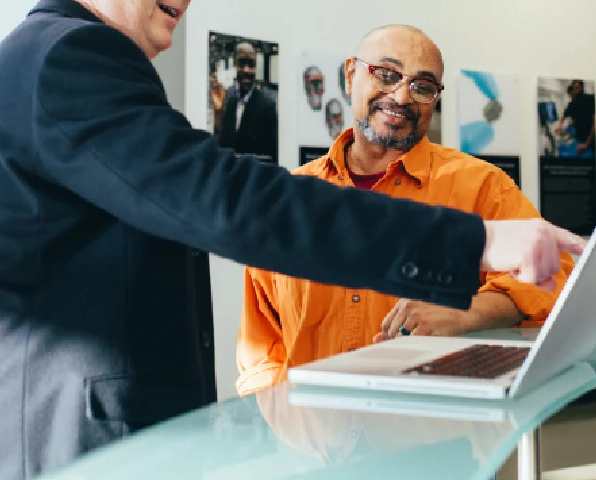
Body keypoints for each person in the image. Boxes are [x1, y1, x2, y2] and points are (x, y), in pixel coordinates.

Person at [0, 0, 585, 480]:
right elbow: (229, 202)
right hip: (48, 449)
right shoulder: (71, 58)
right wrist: (475, 243)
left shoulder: (52, 59)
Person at [236, 26, 574, 396]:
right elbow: (261, 346)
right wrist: (279, 426)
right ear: (351, 75)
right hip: (313, 439)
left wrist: (467, 311)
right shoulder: (291, 199)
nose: (401, 97)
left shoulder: (481, 186)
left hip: (432, 434)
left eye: (423, 86)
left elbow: (557, 274)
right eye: (386, 74)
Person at [210, 41, 279, 163]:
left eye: (251, 65)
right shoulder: (229, 101)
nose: (246, 70)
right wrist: (218, 113)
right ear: (235, 66)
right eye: (242, 63)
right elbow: (221, 147)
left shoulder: (267, 105)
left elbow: (273, 156)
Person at [558, 80, 596, 156]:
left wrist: (587, 143)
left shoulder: (590, 99)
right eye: (574, 89)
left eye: (577, 88)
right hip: (580, 140)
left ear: (582, 88)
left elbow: (595, 123)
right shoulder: (573, 103)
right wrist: (560, 125)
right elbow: (566, 115)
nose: (575, 91)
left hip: (591, 142)